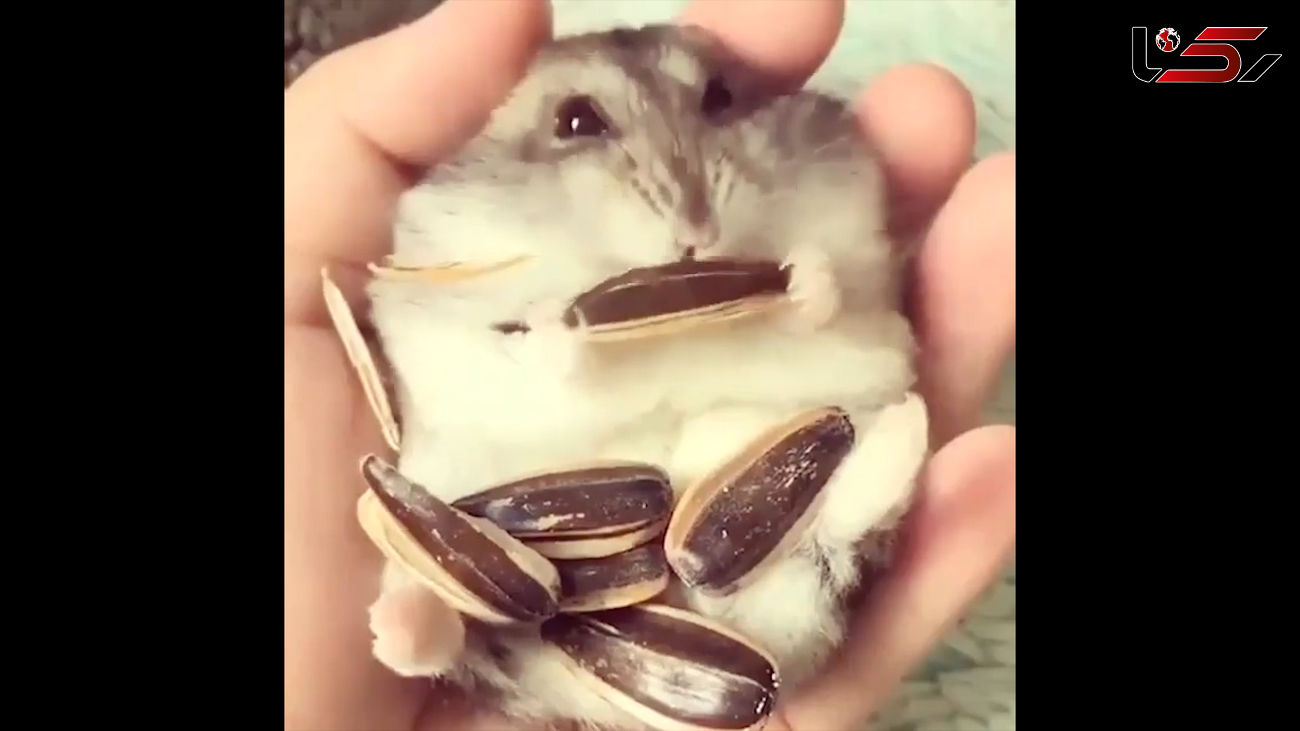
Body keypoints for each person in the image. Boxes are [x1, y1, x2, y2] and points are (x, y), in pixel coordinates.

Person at [284, 1, 1016, 729]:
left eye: (714, 102)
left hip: (746, 494)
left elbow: (857, 318)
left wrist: (813, 297)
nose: (687, 194)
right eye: (583, 123)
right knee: (455, 511)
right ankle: (445, 618)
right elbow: (447, 371)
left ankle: (837, 531)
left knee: (814, 541)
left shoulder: (813, 177)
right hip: (534, 502)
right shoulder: (458, 235)